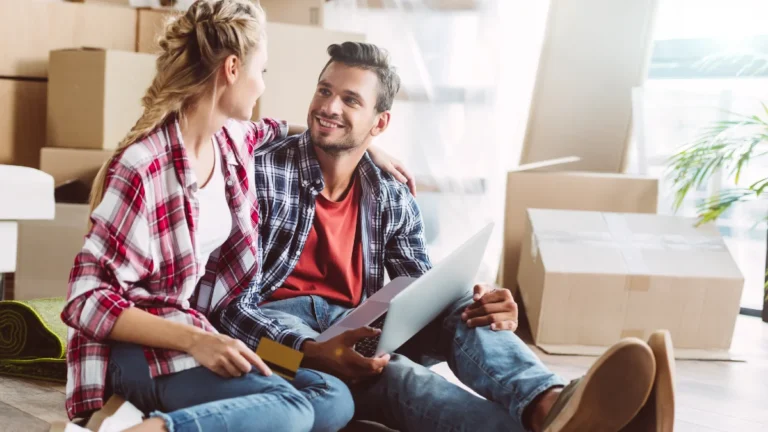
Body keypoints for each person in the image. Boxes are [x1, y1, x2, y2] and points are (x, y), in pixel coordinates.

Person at [219, 41, 676, 432]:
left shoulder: (390, 194)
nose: (328, 107)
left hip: (358, 322)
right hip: (279, 337)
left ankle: (549, 403)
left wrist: (484, 306)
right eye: (324, 91)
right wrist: (313, 352)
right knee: (401, 377)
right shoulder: (261, 170)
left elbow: (419, 291)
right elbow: (226, 308)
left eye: (350, 100)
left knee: (463, 310)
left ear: (380, 124)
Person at [58, 3, 413, 431]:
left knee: (332, 396)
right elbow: (85, 299)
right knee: (294, 408)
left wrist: (365, 143)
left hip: (213, 335)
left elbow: (286, 129)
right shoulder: (145, 166)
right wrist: (197, 341)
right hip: (144, 351)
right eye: (261, 71)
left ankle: (142, 420)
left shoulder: (230, 141)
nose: (263, 85)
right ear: (231, 69)